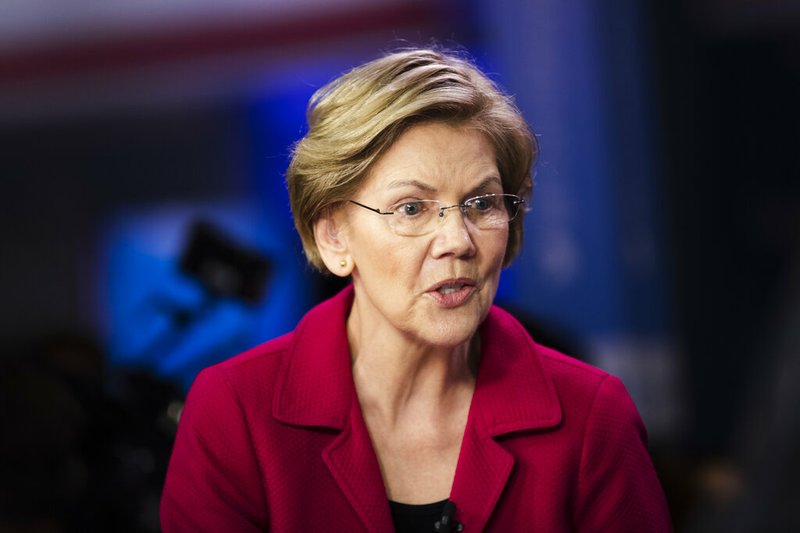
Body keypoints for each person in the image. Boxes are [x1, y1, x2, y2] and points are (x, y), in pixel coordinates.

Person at [160, 47, 672, 532]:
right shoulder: (234, 413)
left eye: (482, 204)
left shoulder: (592, 417)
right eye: (411, 208)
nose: (457, 241)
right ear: (334, 236)